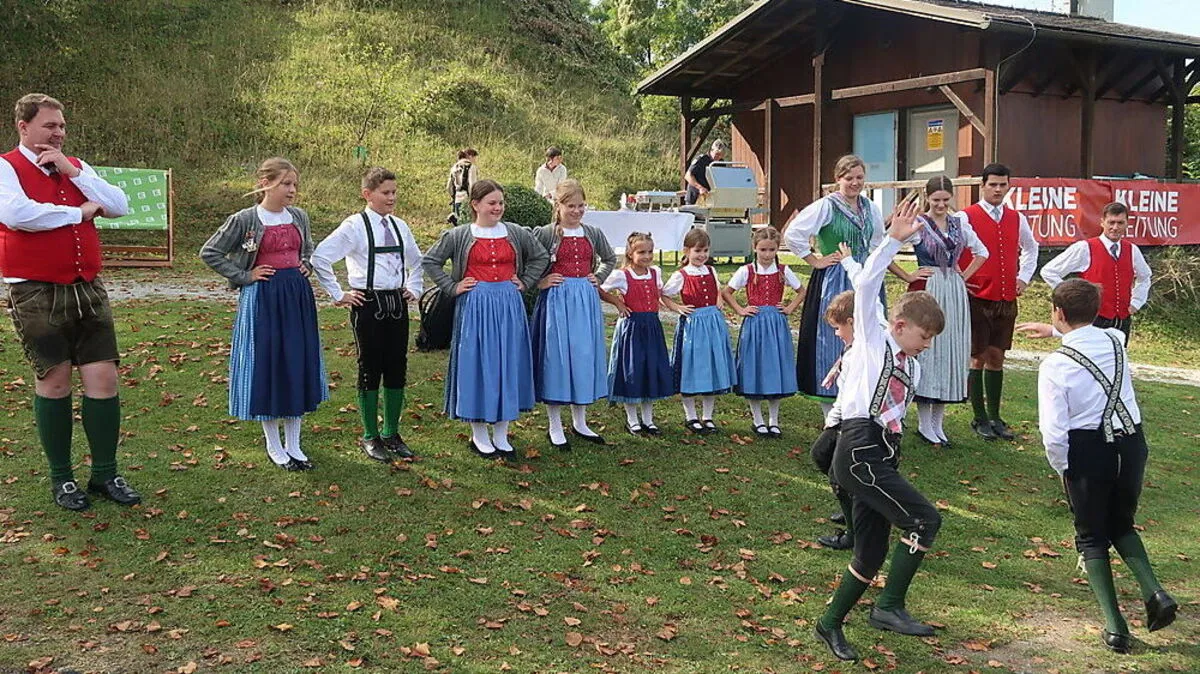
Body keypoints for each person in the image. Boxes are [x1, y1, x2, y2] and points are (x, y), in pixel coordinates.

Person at [813, 200, 946, 663]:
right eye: (924, 338)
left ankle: (830, 623)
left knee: (870, 552)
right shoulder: (873, 339)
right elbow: (866, 282)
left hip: (883, 451)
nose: (926, 347)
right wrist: (893, 240)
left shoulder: (908, 362)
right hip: (858, 449)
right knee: (925, 519)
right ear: (901, 325)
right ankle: (889, 605)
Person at [1017, 279, 1176, 654]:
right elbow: (1086, 330)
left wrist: (1063, 469)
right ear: (1098, 310)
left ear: (1058, 313)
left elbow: (1054, 432)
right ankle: (1155, 591)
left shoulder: (1055, 365)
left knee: (1090, 534)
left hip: (1089, 449)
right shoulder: (1116, 341)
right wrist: (1057, 329)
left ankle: (1115, 626)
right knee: (1121, 521)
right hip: (1132, 443)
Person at [0, 93, 137, 511]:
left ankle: (105, 473)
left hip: (88, 286)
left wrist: (72, 170)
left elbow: (119, 205)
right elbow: (18, 214)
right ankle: (62, 478)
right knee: (55, 380)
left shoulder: (73, 165)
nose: (58, 132)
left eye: (61, 125)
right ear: (24, 127)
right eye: (49, 126)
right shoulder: (6, 166)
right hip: (35, 289)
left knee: (104, 379)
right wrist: (79, 213)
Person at [201, 157, 327, 471]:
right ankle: (274, 444)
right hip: (263, 300)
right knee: (269, 365)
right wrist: (245, 276)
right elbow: (210, 252)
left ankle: (295, 444)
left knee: (296, 363)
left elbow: (308, 248)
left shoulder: (299, 216)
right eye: (286, 183)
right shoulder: (244, 219)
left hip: (296, 298)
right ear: (264, 183)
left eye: (295, 184)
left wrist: (306, 263)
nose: (292, 190)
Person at [422, 180, 550, 459]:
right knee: (478, 363)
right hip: (475, 306)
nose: (498, 208)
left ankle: (502, 434)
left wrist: (525, 281)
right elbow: (430, 261)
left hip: (508, 305)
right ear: (475, 205)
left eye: (501, 202)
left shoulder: (515, 232)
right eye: (492, 203)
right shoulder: (459, 235)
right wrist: (452, 286)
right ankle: (479, 433)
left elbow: (540, 256)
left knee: (507, 363)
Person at [310, 167, 423, 463]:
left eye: (394, 192)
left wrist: (413, 286)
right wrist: (339, 294)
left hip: (397, 304)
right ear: (367, 194)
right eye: (385, 193)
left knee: (397, 366)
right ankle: (370, 435)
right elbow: (320, 256)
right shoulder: (354, 226)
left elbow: (417, 262)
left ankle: (391, 432)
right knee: (370, 366)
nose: (392, 197)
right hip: (368, 304)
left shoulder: (400, 226)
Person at [784, 154, 893, 412]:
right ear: (838, 179)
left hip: (864, 278)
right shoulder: (827, 206)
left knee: (869, 333)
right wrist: (815, 260)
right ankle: (831, 409)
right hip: (834, 279)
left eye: (859, 178)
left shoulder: (870, 208)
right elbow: (793, 234)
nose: (855, 183)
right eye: (849, 178)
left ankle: (862, 400)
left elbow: (878, 242)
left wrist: (872, 266)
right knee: (834, 336)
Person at [904, 176, 990, 446]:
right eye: (935, 199)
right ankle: (923, 423)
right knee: (929, 348)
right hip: (928, 288)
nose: (941, 204)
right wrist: (907, 275)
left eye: (945, 199)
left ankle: (938, 424)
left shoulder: (959, 223)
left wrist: (962, 276)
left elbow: (982, 252)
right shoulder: (919, 224)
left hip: (952, 289)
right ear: (927, 198)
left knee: (950, 350)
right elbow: (887, 247)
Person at [530, 179, 616, 449]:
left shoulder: (592, 232)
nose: (577, 211)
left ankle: (580, 421)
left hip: (585, 300)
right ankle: (555, 424)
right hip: (557, 300)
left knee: (583, 355)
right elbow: (528, 263)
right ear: (558, 205)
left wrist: (597, 276)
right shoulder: (546, 234)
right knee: (557, 357)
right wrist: (541, 282)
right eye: (571, 206)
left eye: (581, 205)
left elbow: (610, 258)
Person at [957, 163, 1038, 441]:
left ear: (1008, 186)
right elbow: (950, 247)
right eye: (993, 184)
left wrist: (1024, 277)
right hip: (977, 296)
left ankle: (995, 416)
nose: (997, 189)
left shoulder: (1017, 218)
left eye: (1002, 185)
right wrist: (960, 278)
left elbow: (1031, 247)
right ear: (983, 185)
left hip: (1005, 298)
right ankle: (978, 417)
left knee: (997, 356)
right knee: (977, 356)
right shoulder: (965, 217)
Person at [720, 227, 803, 437]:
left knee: (775, 367)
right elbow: (727, 292)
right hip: (755, 324)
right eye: (763, 249)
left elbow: (802, 290)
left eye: (772, 250)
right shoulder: (746, 271)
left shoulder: (783, 270)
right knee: (754, 367)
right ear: (755, 248)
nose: (767, 254)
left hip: (776, 323)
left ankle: (774, 420)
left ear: (777, 250)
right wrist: (740, 309)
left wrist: (791, 307)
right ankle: (758, 420)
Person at [602, 233, 679, 435]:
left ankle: (648, 419)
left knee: (650, 369)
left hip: (652, 326)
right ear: (630, 253)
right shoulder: (622, 275)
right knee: (633, 371)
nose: (647, 256)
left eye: (650, 251)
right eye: (641, 252)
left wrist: (670, 306)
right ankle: (632, 419)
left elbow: (659, 295)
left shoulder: (655, 272)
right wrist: (618, 303)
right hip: (632, 328)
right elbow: (599, 288)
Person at [1039, 202, 1151, 340]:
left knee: (1117, 357)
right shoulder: (1085, 248)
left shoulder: (1132, 250)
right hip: (1093, 319)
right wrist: (1072, 298)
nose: (1115, 227)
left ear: (1127, 224)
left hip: (1122, 320)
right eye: (1111, 222)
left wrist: (1136, 302)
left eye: (1120, 223)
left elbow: (1145, 277)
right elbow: (1049, 271)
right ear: (1102, 222)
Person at [662, 228, 737, 433]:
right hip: (694, 325)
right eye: (697, 251)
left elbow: (717, 290)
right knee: (692, 367)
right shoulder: (681, 274)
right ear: (686, 251)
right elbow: (664, 294)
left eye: (705, 250)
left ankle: (708, 415)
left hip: (713, 323)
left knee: (711, 367)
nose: (702, 255)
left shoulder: (711, 270)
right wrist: (678, 308)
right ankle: (690, 415)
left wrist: (719, 299)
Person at [684, 139, 725, 205]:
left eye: (721, 155)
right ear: (711, 150)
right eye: (717, 154)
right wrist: (700, 188)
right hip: (694, 198)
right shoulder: (701, 159)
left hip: (709, 200)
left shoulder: (721, 163)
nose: (718, 157)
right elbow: (688, 176)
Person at [446, 148, 479, 225]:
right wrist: (473, 198)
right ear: (470, 156)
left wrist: (453, 197)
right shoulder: (471, 167)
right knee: (469, 224)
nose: (475, 160)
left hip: (457, 198)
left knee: (459, 224)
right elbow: (472, 184)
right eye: (474, 158)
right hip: (466, 198)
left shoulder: (454, 168)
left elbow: (449, 187)